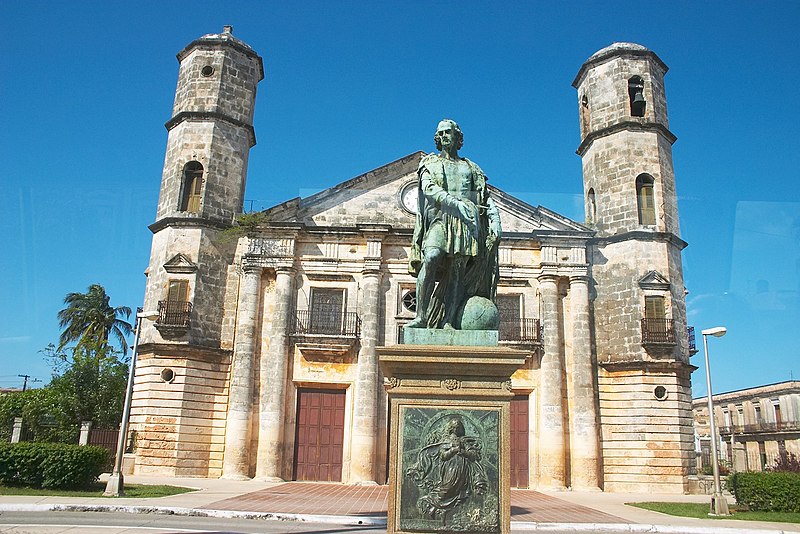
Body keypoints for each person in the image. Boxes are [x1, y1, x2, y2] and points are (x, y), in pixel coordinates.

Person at [406, 119, 501, 329]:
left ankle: (448, 320)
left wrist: (495, 220)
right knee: (430, 258)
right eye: (441, 133)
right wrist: (455, 203)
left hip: (466, 223)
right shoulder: (429, 163)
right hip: (441, 219)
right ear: (437, 139)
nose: (444, 136)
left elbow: (485, 197)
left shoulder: (471, 167)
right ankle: (421, 317)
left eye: (449, 132)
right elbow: (429, 189)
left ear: (458, 137)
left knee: (457, 273)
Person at [405, 417, 489, 521]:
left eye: (458, 427)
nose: (456, 429)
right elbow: (443, 455)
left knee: (458, 491)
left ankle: (443, 511)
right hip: (450, 469)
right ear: (451, 428)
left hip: (463, 471)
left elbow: (474, 455)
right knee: (446, 490)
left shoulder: (465, 441)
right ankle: (435, 506)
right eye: (454, 427)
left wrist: (464, 452)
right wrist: (453, 450)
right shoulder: (445, 441)